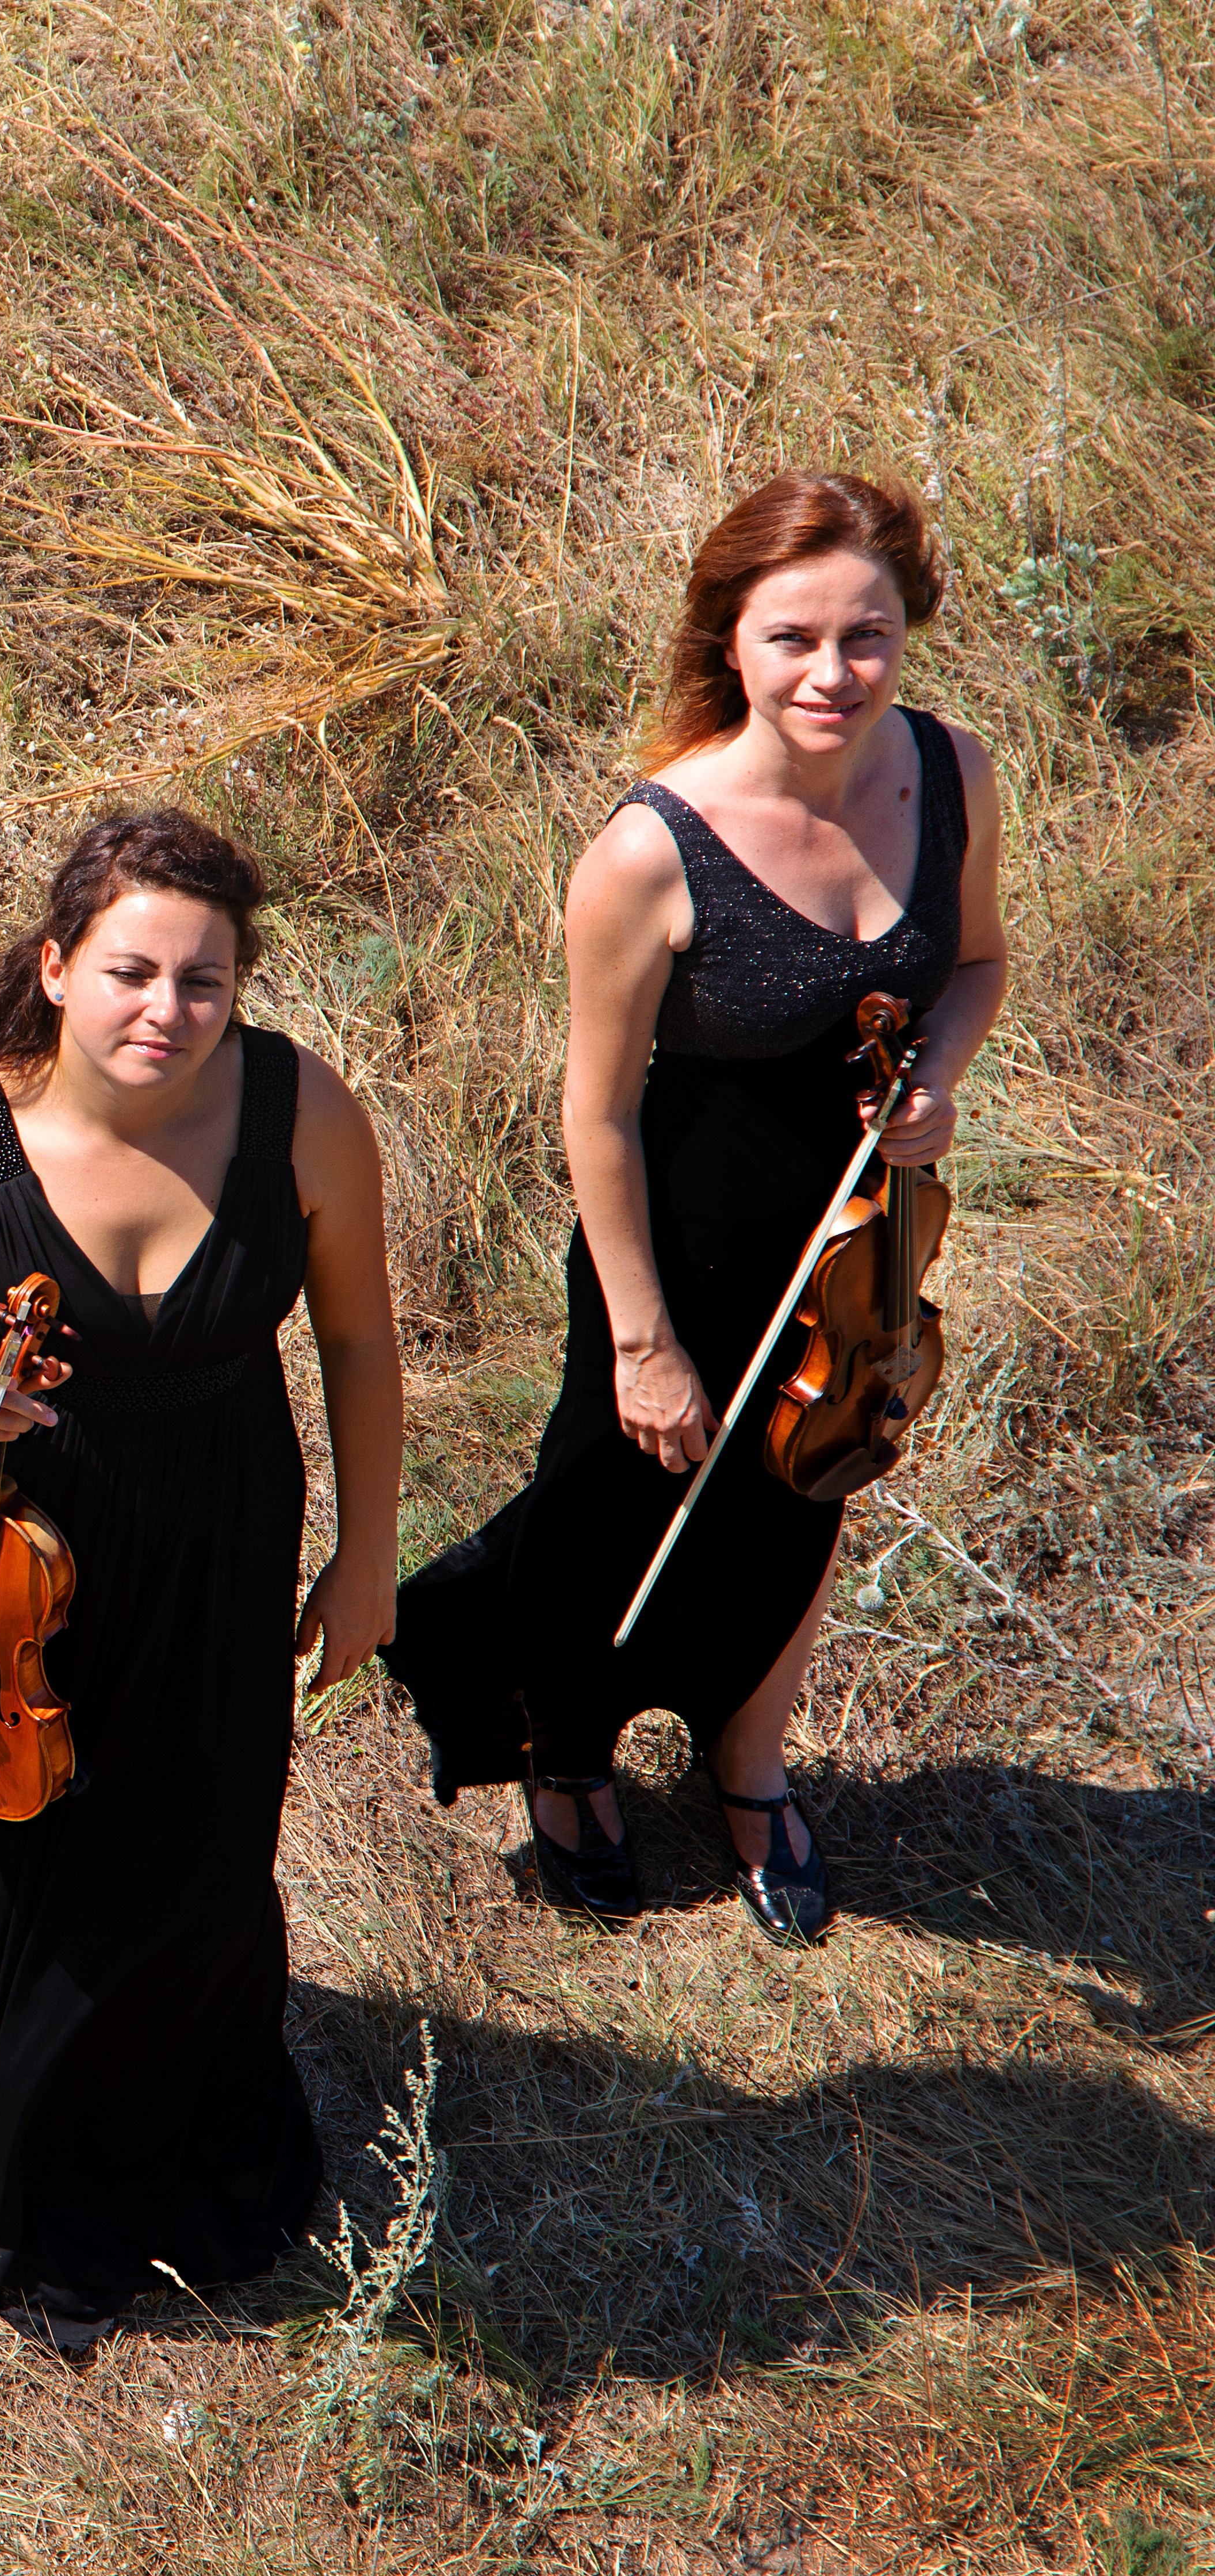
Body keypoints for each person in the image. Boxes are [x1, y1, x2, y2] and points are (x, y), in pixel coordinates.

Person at [0, 810, 403, 2358]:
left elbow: (360, 1343)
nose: (165, 1011)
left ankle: (107, 2160)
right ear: (57, 969)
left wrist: (367, 1557)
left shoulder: (302, 1115)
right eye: (129, 971)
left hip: (213, 1534)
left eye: (204, 981)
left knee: (184, 1844)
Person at [382, 473, 1005, 1945]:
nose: (834, 673)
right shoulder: (652, 851)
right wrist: (643, 1337)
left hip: (861, 1230)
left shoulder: (954, 771)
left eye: (869, 635)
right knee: (614, 1499)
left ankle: (749, 1758)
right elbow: (593, 1113)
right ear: (732, 638)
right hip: (676, 1227)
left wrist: (941, 1082)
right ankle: (568, 1744)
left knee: (813, 1479)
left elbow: (974, 965)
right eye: (794, 636)